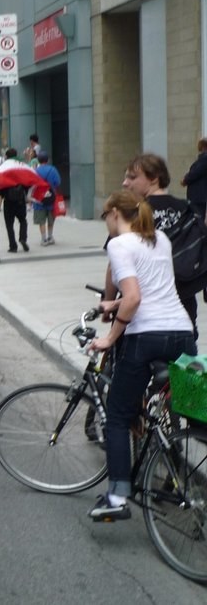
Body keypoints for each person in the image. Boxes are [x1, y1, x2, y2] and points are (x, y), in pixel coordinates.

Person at [88, 190, 195, 521]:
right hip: (183, 332)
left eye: (105, 215)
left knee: (118, 416)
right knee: (194, 410)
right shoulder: (159, 238)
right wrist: (113, 303)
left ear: (115, 213)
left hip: (146, 336)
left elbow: (134, 297)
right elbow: (156, 289)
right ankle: (181, 476)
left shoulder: (118, 245)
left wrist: (110, 336)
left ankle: (118, 498)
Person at [118, 153, 201, 333]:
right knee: (183, 360)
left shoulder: (133, 212)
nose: (125, 183)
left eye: (132, 177)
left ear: (154, 178)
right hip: (183, 303)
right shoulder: (188, 209)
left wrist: (108, 297)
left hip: (145, 308)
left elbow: (115, 263)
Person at [0, 148, 30, 253]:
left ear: (7, 157)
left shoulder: (4, 169)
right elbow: (27, 184)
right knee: (23, 220)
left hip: (8, 201)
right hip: (20, 201)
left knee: (9, 225)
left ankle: (13, 246)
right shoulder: (21, 167)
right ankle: (23, 238)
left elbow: (0, 189)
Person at [180, 137, 207, 219]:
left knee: (197, 218)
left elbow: (195, 173)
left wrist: (185, 179)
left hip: (198, 195)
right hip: (199, 196)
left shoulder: (204, 159)